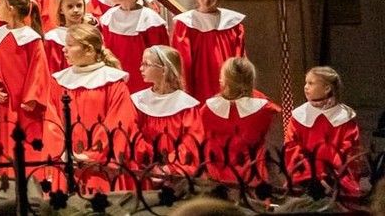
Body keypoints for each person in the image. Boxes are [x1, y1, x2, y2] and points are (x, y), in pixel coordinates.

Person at [51, 25, 138, 194]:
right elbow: (51, 120)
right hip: (68, 164)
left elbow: (119, 122)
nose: (64, 49)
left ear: (89, 49)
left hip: (101, 168)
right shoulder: (59, 81)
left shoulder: (113, 83)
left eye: (70, 45)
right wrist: (62, 152)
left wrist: (91, 156)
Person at [0, 0, 54, 164]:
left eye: (0, 3)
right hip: (4, 102)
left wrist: (32, 97)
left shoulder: (31, 38)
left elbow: (39, 70)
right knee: (5, 143)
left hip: (25, 104)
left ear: (10, 9)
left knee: (27, 144)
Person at [285, 66, 365, 200]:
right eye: (306, 82)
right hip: (304, 182)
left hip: (337, 183)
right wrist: (308, 177)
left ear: (327, 88)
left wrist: (330, 177)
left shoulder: (345, 118)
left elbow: (349, 151)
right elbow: (291, 148)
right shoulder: (298, 117)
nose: (305, 87)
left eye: (311, 83)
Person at [170, 0, 246, 101]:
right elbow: (183, 61)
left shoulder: (232, 23)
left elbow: (239, 56)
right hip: (198, 83)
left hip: (227, 81)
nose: (206, 0)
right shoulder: (185, 24)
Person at [199, 57, 275, 187]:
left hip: (216, 175)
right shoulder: (264, 109)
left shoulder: (207, 109)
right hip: (251, 175)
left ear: (223, 82)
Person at [130, 45, 202, 182]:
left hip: (176, 176)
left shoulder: (187, 106)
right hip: (143, 172)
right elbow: (132, 133)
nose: (141, 69)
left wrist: (168, 168)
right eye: (141, 64)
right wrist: (148, 162)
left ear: (164, 70)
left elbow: (191, 142)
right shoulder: (137, 101)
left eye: (146, 64)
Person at [98, 0, 169, 93]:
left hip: (142, 81)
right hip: (114, 77)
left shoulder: (150, 20)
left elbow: (160, 56)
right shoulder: (109, 17)